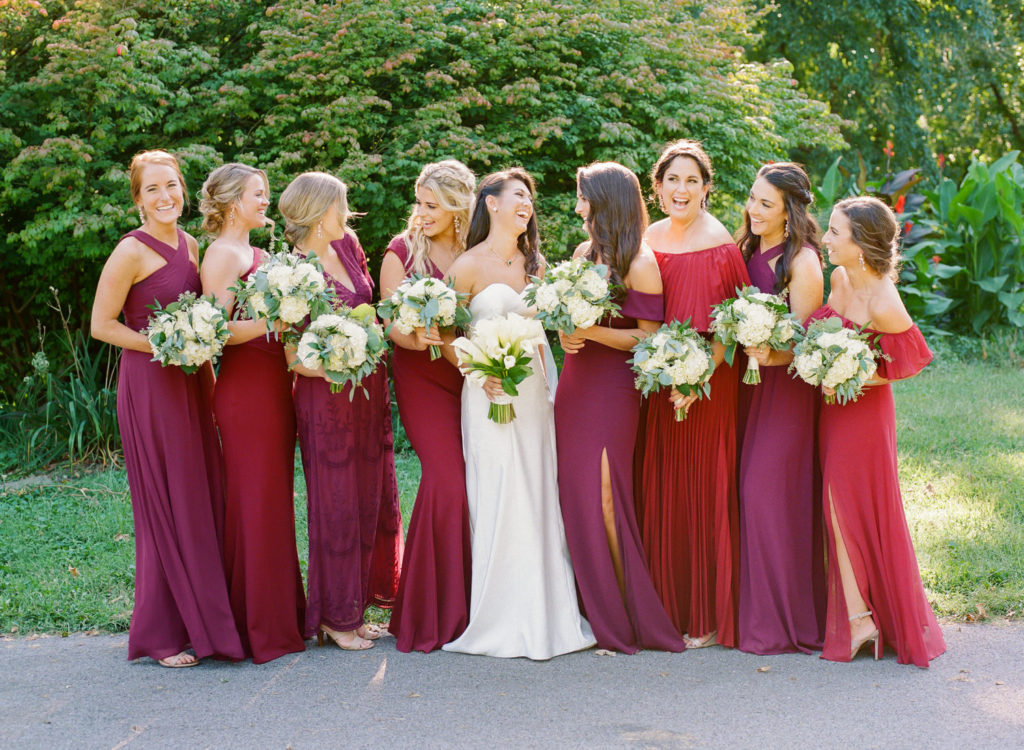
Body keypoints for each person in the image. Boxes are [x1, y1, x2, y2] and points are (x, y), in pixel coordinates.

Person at [90, 150, 243, 667]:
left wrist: (205, 370)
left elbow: (202, 319)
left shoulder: (193, 244)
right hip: (152, 386)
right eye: (152, 189)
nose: (165, 197)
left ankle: (207, 620)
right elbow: (102, 325)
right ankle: (161, 634)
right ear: (138, 199)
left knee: (199, 495)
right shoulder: (130, 251)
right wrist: (164, 344)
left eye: (172, 185)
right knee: (165, 502)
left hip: (192, 384)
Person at [441, 168, 595, 659]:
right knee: (500, 487)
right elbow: (444, 335)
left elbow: (552, 323)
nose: (527, 204)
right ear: (491, 203)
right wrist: (476, 368)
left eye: (530, 196)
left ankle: (548, 611)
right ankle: (500, 613)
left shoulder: (537, 265)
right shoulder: (465, 267)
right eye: (519, 195)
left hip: (533, 390)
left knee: (538, 487)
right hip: (487, 392)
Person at [554, 162, 685, 653]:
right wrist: (567, 334)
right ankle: (595, 608)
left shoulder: (640, 261)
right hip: (576, 384)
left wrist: (588, 332)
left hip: (613, 390)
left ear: (605, 200)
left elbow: (645, 339)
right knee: (578, 497)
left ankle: (628, 616)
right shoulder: (583, 252)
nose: (577, 205)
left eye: (583, 196)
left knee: (606, 493)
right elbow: (571, 315)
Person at [811, 196, 945, 667]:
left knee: (846, 503)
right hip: (832, 409)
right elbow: (826, 328)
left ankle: (862, 619)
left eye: (833, 232)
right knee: (834, 507)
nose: (825, 239)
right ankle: (859, 614)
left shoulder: (886, 301)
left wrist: (850, 375)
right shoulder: (839, 277)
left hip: (865, 415)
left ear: (861, 244)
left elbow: (911, 361)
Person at [633, 140, 750, 649]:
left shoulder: (720, 242)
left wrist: (697, 378)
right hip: (657, 386)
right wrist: (664, 374)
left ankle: (704, 615)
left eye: (692, 181)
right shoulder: (647, 239)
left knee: (702, 487)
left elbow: (731, 325)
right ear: (657, 188)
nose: (681, 189)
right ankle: (663, 608)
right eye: (672, 180)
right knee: (660, 486)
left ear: (706, 189)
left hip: (708, 387)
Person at [278, 172, 400, 651]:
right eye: (340, 205)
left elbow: (369, 305)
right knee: (336, 504)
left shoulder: (348, 245)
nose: (346, 214)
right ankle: (334, 615)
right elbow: (290, 355)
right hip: (325, 396)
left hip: (368, 389)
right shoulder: (292, 269)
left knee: (372, 495)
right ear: (318, 210)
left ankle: (358, 604)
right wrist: (331, 367)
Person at [199, 163, 306, 664]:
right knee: (254, 501)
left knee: (274, 502)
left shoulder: (261, 254)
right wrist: (275, 317)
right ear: (231, 201)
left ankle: (280, 619)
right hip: (244, 392)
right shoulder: (221, 255)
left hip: (274, 385)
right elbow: (218, 332)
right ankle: (253, 626)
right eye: (258, 194)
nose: (267, 201)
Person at [382, 160, 476, 653]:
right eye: (419, 202)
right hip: (422, 376)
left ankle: (475, 606)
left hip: (472, 376)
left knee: (478, 482)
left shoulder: (477, 248)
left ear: (459, 204)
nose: (422, 212)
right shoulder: (401, 252)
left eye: (433, 204)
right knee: (448, 479)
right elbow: (392, 326)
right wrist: (423, 338)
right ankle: (428, 613)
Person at [733, 163, 827, 654]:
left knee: (765, 494)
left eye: (765, 204)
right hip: (746, 391)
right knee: (747, 495)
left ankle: (782, 621)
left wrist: (772, 352)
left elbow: (807, 346)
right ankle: (756, 616)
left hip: (785, 392)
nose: (753, 209)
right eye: (752, 198)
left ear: (788, 212)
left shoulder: (803, 262)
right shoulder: (747, 248)